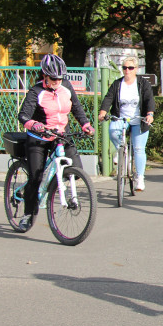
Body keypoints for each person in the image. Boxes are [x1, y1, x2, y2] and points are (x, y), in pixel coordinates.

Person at [17, 54, 95, 231]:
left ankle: (54, 186)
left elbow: (76, 107)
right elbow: (23, 116)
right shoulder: (36, 92)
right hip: (39, 138)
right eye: (54, 78)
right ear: (44, 75)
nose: (58, 81)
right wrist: (35, 125)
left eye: (60, 78)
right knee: (35, 177)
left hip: (61, 135)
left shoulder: (66, 87)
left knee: (75, 170)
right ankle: (28, 214)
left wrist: (85, 124)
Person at [98, 56, 156, 191]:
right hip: (121, 118)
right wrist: (102, 112)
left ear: (136, 69)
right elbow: (108, 98)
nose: (127, 71)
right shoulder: (117, 84)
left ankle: (139, 178)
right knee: (112, 131)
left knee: (139, 149)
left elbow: (149, 99)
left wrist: (150, 114)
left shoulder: (143, 84)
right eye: (125, 68)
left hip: (138, 120)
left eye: (130, 68)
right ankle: (122, 151)